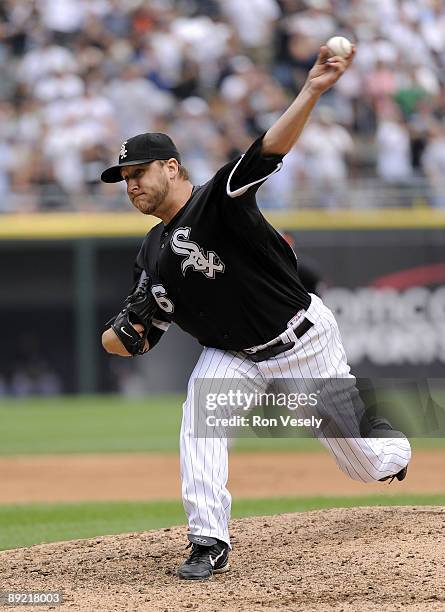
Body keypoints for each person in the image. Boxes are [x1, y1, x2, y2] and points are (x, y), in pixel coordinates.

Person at [101, 45, 411, 581]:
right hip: (231, 354)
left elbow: (270, 149)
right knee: (199, 420)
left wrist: (312, 88)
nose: (130, 184)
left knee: (364, 464)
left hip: (302, 340)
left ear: (172, 167)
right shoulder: (150, 253)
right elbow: (128, 336)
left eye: (138, 172)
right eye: (123, 177)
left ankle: (386, 442)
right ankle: (208, 540)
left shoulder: (220, 197)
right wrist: (124, 332)